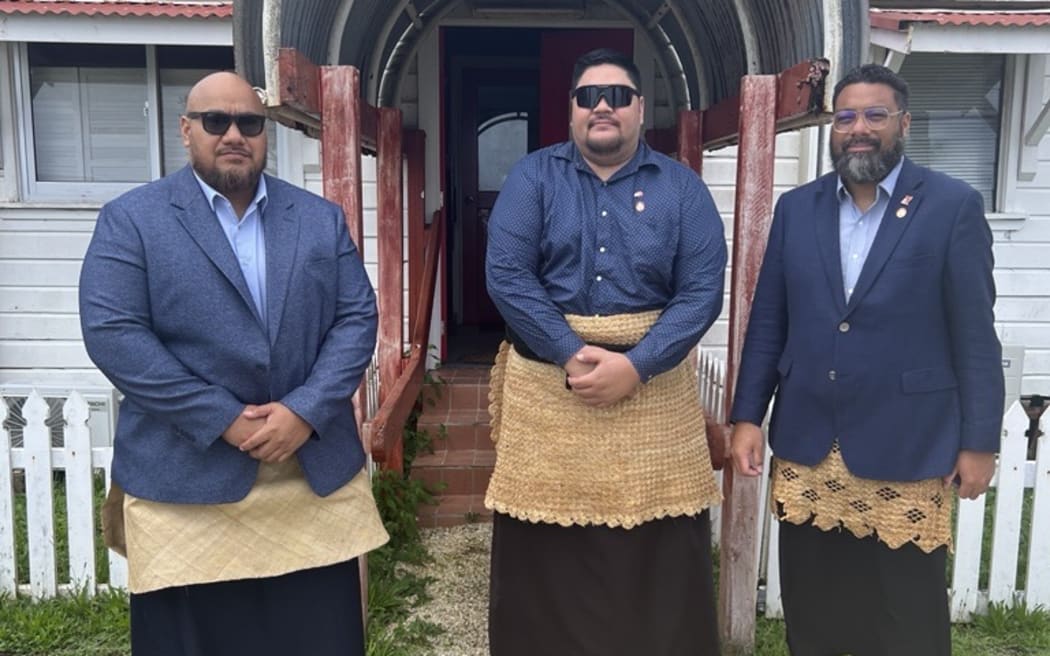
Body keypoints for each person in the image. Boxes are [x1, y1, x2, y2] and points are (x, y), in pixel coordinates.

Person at [79, 71, 387, 656]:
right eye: (215, 121)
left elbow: (356, 320)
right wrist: (222, 417)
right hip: (185, 475)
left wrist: (304, 410)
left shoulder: (319, 219)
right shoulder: (132, 220)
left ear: (265, 132)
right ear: (185, 130)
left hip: (308, 474)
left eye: (249, 122)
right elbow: (115, 335)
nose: (233, 135)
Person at [729, 63, 1004, 655]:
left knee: (906, 622)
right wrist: (748, 416)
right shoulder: (797, 209)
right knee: (814, 615)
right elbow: (769, 321)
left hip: (907, 444)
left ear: (902, 123)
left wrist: (980, 442)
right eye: (846, 116)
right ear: (831, 127)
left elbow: (976, 335)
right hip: (809, 446)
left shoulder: (951, 206)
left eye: (874, 115)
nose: (859, 128)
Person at [483, 48, 727, 655]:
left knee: (658, 548)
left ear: (640, 109)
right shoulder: (532, 177)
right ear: (570, 111)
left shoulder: (683, 188)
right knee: (545, 550)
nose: (602, 107)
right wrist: (572, 354)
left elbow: (702, 291)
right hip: (549, 390)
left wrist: (637, 367)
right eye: (589, 96)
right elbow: (508, 275)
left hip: (655, 393)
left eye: (617, 96)